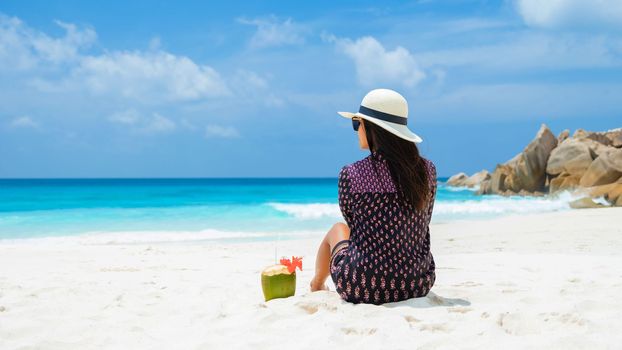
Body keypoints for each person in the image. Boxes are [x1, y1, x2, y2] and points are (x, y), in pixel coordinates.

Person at [309, 88, 437, 305]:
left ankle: (317, 284)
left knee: (338, 229)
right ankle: (317, 284)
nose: (356, 130)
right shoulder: (427, 171)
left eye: (357, 123)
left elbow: (355, 225)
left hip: (362, 285)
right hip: (417, 282)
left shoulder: (352, 174)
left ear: (372, 129)